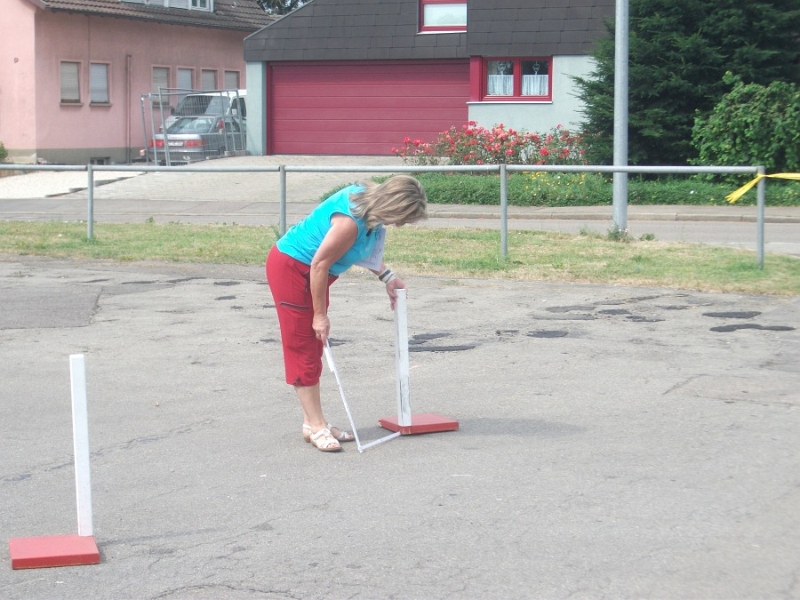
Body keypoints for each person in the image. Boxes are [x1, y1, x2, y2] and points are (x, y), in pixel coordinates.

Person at [266, 175, 428, 452]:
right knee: (302, 346)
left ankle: (311, 423)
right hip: (294, 270)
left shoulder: (370, 211)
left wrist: (388, 277)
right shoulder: (349, 223)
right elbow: (319, 264)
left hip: (315, 274)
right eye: (402, 218)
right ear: (392, 206)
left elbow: (362, 252)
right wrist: (320, 316)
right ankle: (317, 426)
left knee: (313, 345)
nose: (400, 224)